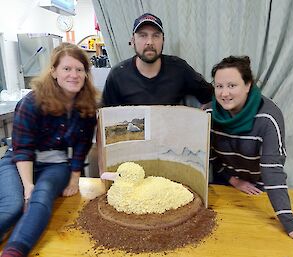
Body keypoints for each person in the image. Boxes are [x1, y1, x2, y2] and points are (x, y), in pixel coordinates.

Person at [0, 43, 99, 256]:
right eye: (67, 69)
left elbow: (82, 145)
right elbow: (22, 148)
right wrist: (27, 186)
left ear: (85, 74)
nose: (74, 75)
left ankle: (14, 251)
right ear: (53, 72)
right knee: (13, 206)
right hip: (17, 161)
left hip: (55, 164)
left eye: (79, 69)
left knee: (41, 196)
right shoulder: (32, 102)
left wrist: (74, 179)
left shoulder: (87, 107)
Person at [207, 55, 293, 242]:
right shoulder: (208, 114)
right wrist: (233, 180)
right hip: (223, 184)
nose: (224, 94)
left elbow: (272, 169)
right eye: (219, 86)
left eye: (232, 85)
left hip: (259, 189)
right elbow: (206, 156)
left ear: (248, 85)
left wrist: (291, 225)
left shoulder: (268, 117)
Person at [101, 13, 213, 106]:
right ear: (133, 41)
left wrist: (200, 120)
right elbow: (106, 117)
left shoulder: (179, 68)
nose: (150, 42)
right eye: (143, 35)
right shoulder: (117, 75)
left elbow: (211, 96)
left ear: (163, 40)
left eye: (156, 35)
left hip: (171, 131)